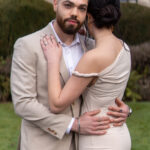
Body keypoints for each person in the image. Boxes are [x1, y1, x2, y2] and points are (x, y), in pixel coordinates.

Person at [11, 0, 131, 150]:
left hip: (86, 142)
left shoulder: (92, 46)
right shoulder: (28, 45)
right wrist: (73, 124)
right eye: (68, 5)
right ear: (55, 4)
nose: (74, 13)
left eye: (82, 8)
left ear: (88, 15)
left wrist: (124, 109)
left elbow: (103, 89)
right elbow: (23, 103)